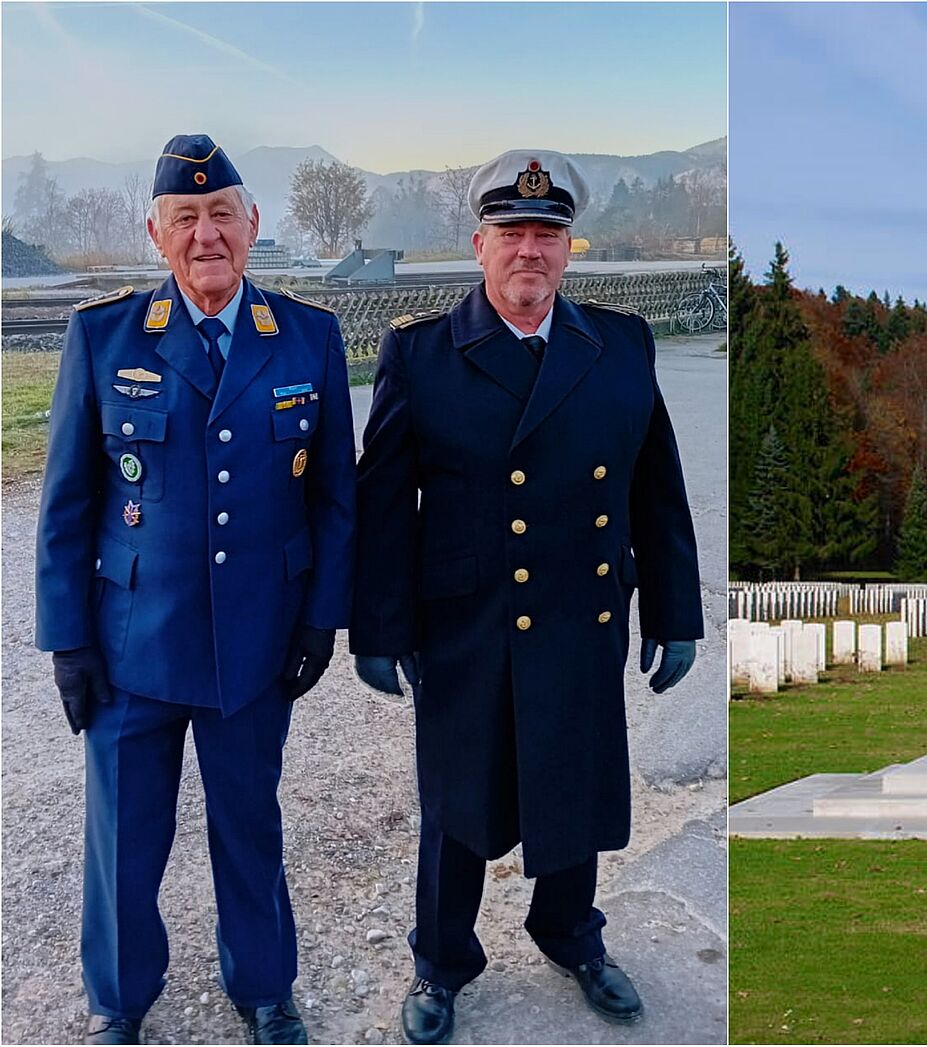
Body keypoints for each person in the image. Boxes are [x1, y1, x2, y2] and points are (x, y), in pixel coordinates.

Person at [348, 149, 702, 1045]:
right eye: (513, 233)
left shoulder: (618, 345)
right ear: (480, 245)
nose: (530, 251)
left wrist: (674, 612)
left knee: (571, 777)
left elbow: (654, 487)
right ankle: (441, 959)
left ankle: (570, 932)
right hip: (466, 620)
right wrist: (377, 629)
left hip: (582, 617)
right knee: (457, 800)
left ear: (569, 247)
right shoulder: (422, 352)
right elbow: (385, 504)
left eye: (546, 233)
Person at [35, 134, 356, 1046]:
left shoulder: (307, 336)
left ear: (253, 226)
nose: (206, 234)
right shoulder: (104, 336)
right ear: (155, 232)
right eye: (186, 219)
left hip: (257, 643)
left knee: (250, 829)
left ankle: (264, 988)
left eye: (222, 216)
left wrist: (322, 616)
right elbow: (65, 504)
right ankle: (120, 1000)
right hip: (132, 642)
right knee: (127, 842)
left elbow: (336, 494)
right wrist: (68, 641)